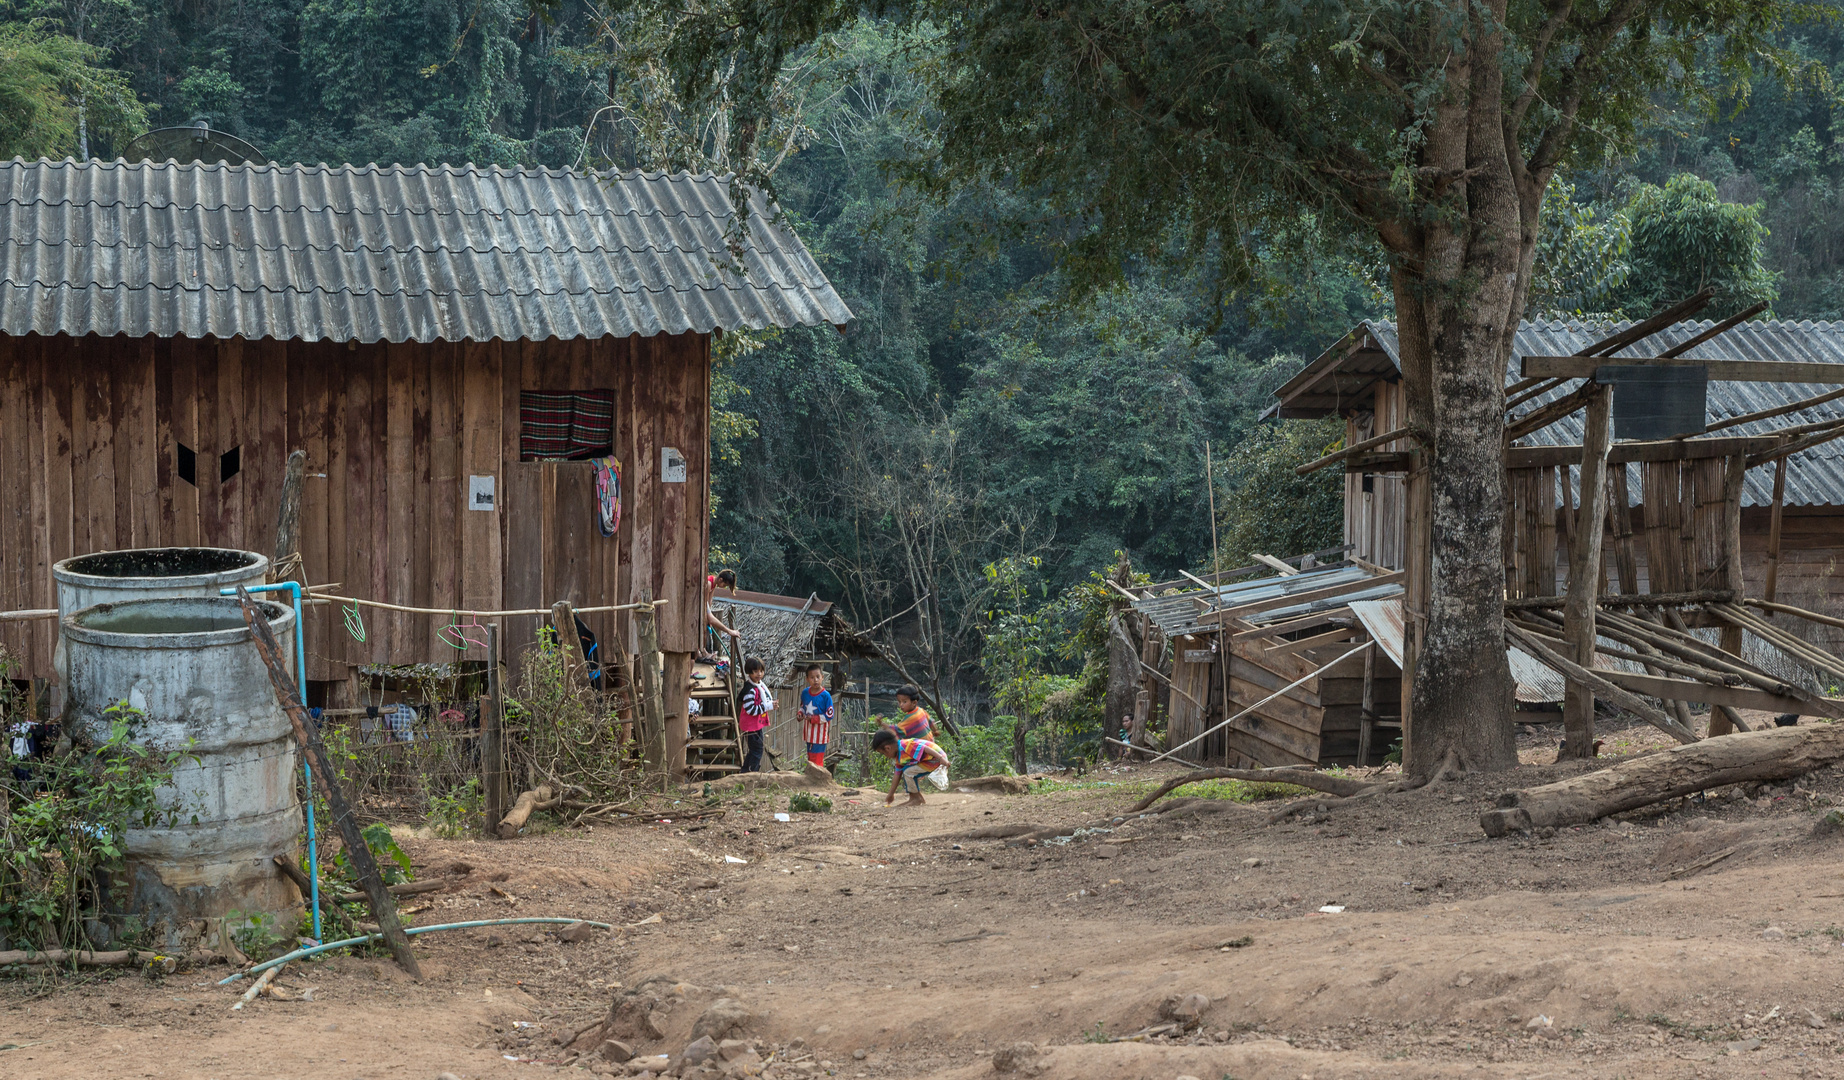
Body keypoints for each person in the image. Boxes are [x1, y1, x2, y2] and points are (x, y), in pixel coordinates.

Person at [872, 727, 950, 808]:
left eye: (883, 753)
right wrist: (891, 794)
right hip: (931, 760)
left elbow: (925, 748)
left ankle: (915, 799)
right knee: (908, 771)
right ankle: (917, 798)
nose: (885, 756)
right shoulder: (899, 757)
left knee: (908, 772)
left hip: (936, 759)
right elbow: (897, 775)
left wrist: (941, 759)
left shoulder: (905, 745)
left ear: (888, 748)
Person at [737, 656, 774, 773]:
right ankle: (752, 772)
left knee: (755, 749)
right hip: (750, 725)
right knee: (757, 750)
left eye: (761, 671)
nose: (759, 674)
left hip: (755, 725)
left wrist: (770, 705)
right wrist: (767, 707)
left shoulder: (759, 686)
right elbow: (751, 710)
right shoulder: (750, 690)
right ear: (749, 672)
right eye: (755, 671)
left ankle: (745, 771)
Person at [798, 663, 834, 768]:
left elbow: (830, 714)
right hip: (809, 733)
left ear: (822, 677)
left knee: (817, 761)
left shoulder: (826, 696)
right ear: (807, 679)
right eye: (812, 677)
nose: (815, 680)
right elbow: (803, 707)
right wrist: (800, 714)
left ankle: (818, 781)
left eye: (818, 677)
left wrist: (814, 718)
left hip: (820, 735)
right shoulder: (805, 693)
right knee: (810, 758)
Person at [702, 569, 741, 662]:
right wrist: (708, 617)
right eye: (725, 585)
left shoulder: (713, 583)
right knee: (707, 624)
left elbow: (709, 601)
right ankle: (702, 652)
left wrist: (708, 614)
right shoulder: (708, 583)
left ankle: (702, 652)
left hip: (704, 605)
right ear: (720, 580)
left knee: (707, 624)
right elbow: (705, 604)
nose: (724, 587)